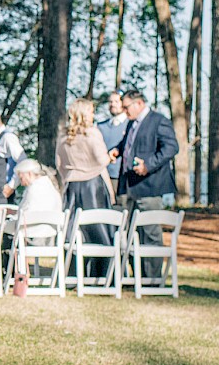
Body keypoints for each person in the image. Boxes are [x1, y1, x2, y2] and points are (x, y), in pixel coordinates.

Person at [108, 89, 178, 278]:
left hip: (149, 186)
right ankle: (136, 275)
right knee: (129, 232)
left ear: (139, 104)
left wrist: (148, 165)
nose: (124, 110)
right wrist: (116, 151)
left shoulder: (158, 121)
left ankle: (152, 279)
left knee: (150, 233)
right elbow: (128, 145)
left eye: (126, 107)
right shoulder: (132, 123)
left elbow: (171, 147)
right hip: (129, 187)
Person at [57, 98, 114, 260]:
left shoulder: (63, 136)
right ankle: (104, 270)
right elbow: (101, 159)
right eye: (90, 111)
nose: (93, 114)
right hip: (93, 186)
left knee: (73, 229)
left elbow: (59, 163)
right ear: (83, 113)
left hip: (72, 187)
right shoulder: (92, 133)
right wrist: (109, 157)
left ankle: (75, 270)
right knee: (98, 227)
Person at [97, 91, 129, 196]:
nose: (113, 104)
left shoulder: (130, 125)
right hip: (101, 175)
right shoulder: (100, 126)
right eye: (110, 102)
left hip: (122, 177)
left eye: (116, 101)